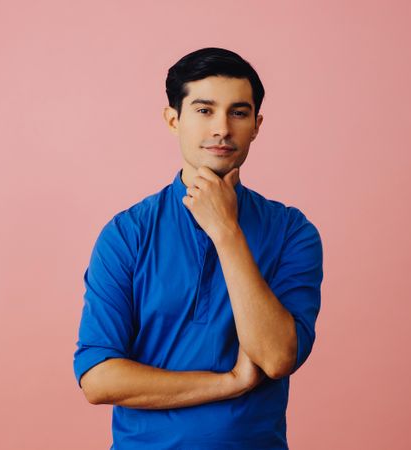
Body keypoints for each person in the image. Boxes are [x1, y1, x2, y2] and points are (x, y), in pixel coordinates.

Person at [73, 47, 323, 449]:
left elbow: (277, 357)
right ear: (173, 120)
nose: (222, 128)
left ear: (257, 125)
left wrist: (225, 231)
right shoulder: (127, 234)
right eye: (204, 111)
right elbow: (98, 378)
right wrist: (229, 383)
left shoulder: (292, 231)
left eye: (238, 113)